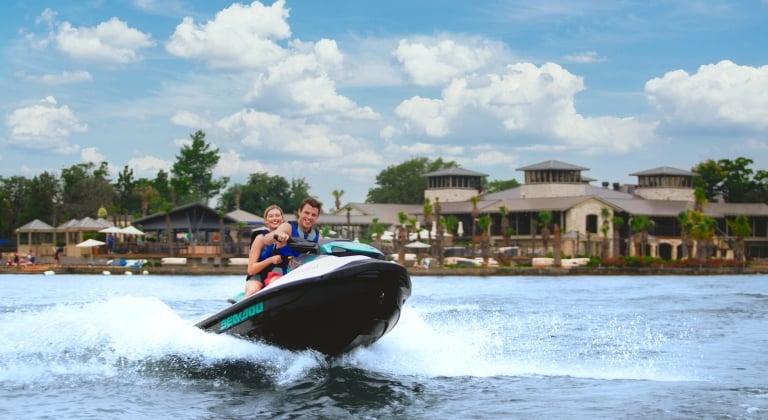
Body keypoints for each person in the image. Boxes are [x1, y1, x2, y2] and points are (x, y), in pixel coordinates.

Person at [265, 197, 323, 266]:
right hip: (280, 272)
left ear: (317, 217)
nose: (309, 217)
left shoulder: (318, 237)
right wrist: (278, 234)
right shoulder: (288, 227)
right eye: (306, 213)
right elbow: (266, 239)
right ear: (299, 212)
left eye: (313, 215)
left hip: (304, 273)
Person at [244, 205, 286, 298]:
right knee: (253, 290)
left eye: (277, 215)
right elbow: (251, 270)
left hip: (278, 273)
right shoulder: (260, 238)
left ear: (282, 219)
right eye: (271, 216)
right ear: (265, 220)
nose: (274, 218)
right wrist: (270, 260)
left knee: (275, 284)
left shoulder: (288, 237)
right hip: (257, 275)